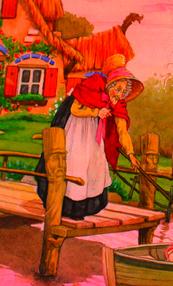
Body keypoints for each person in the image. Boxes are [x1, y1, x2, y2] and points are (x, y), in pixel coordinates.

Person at [36, 55, 143, 219]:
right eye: (117, 89)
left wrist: (131, 154)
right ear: (110, 84)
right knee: (74, 162)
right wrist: (95, 112)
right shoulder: (93, 85)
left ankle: (82, 208)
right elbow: (75, 109)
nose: (119, 94)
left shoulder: (118, 103)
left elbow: (122, 131)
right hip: (77, 126)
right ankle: (60, 203)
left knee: (93, 164)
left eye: (123, 92)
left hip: (94, 133)